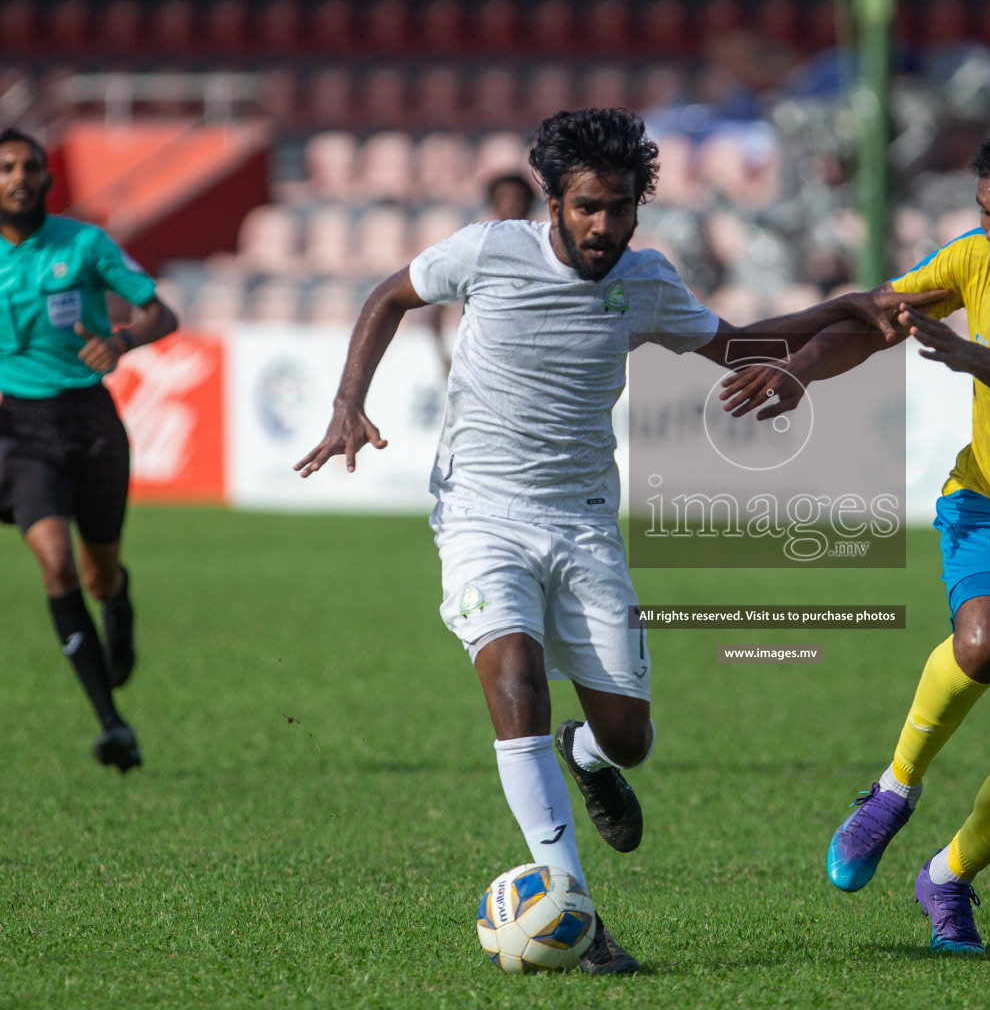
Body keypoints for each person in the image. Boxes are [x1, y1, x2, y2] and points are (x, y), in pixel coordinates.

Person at [292, 108, 943, 974]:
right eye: (589, 206)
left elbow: (736, 346)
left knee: (629, 737)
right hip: (481, 514)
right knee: (514, 677)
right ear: (553, 202)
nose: (606, 225)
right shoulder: (486, 251)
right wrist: (347, 403)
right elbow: (388, 295)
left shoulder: (646, 280)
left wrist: (845, 311)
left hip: (584, 522)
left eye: (621, 207)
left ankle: (587, 755)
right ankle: (574, 910)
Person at [727, 123, 990, 953]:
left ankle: (947, 877)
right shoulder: (969, 258)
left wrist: (969, 358)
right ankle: (891, 791)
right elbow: (875, 318)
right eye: (985, 211)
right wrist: (801, 369)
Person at [0, 127, 178, 771]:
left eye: (30, 166)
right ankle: (113, 725)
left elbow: (162, 313)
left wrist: (125, 341)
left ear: (48, 178)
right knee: (55, 563)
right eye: (7, 167)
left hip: (91, 423)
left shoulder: (84, 244)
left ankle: (119, 601)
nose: (20, 176)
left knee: (99, 573)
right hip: (19, 432)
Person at [426, 173, 540, 376]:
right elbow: (435, 308)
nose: (512, 205)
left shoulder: (546, 250)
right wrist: (443, 356)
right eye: (504, 198)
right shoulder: (476, 251)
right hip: (484, 366)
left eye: (518, 198)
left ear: (530, 203)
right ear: (493, 204)